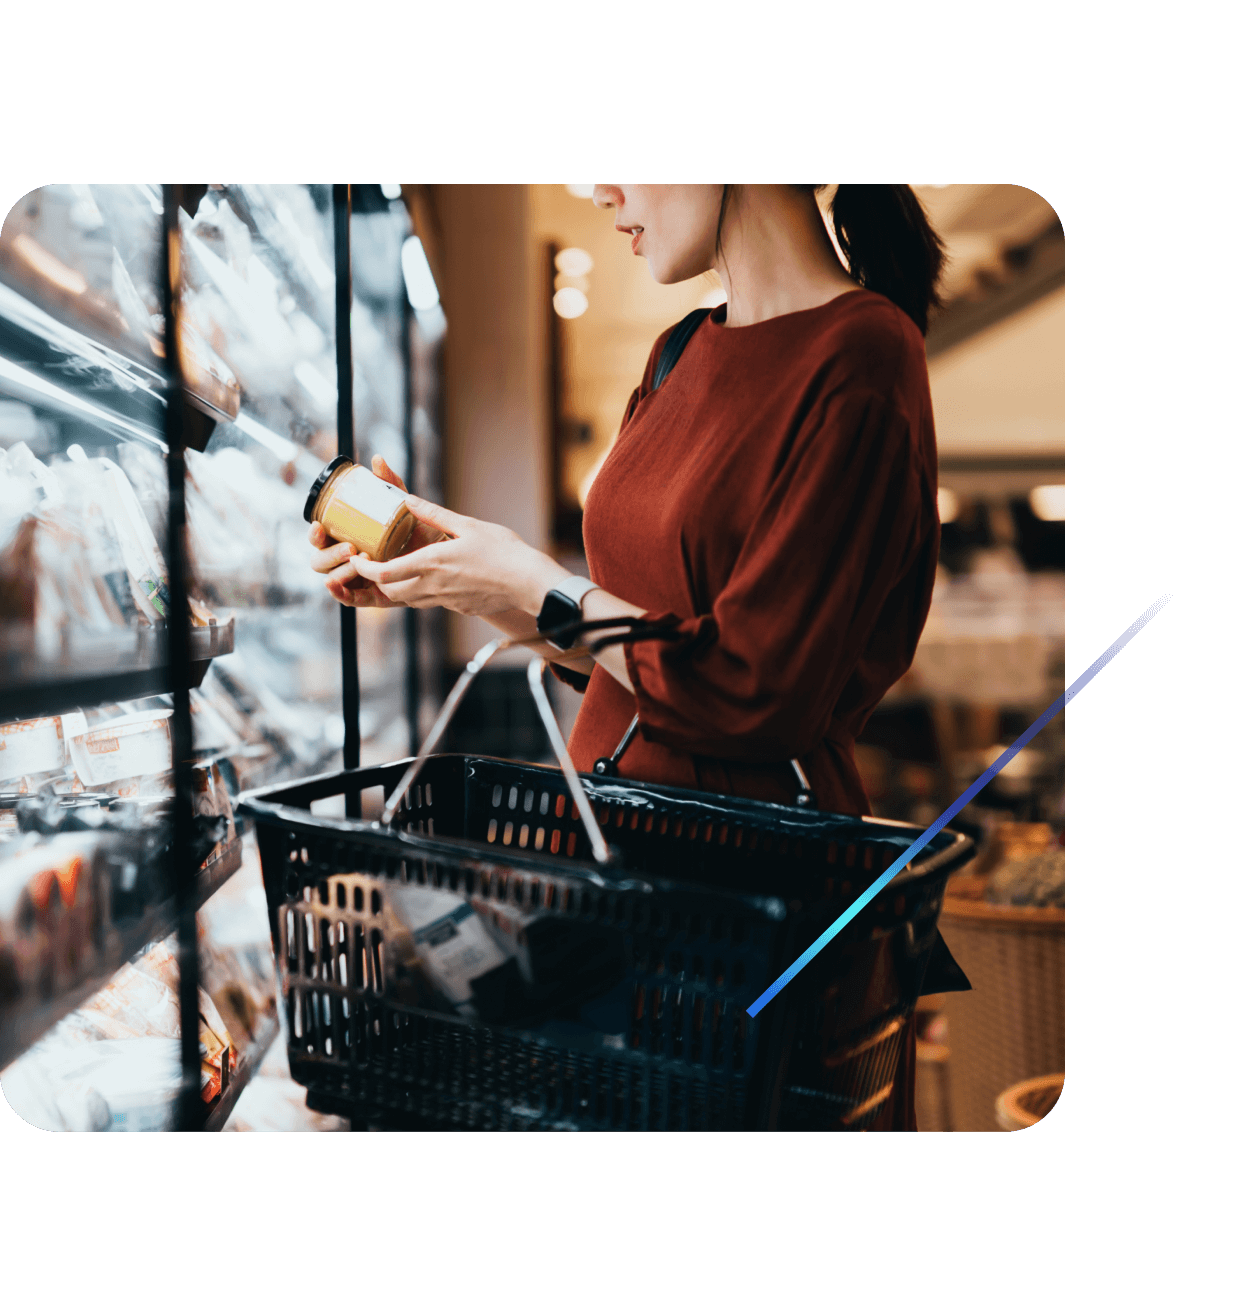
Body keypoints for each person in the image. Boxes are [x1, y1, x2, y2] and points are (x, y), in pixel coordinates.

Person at [309, 184, 947, 1130]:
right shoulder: (680, 349)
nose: (596, 190)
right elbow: (635, 655)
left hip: (743, 921)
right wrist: (458, 576)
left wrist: (530, 583)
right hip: (620, 888)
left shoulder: (861, 355)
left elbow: (751, 690)